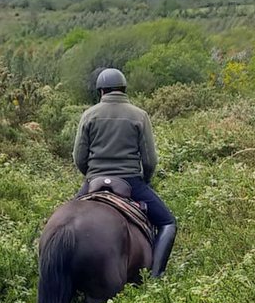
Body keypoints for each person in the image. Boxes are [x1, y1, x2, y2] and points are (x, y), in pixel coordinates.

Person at [72, 67, 177, 278]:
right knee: (168, 223)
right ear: (123, 89)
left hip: (94, 179)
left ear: (101, 91)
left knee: (63, 221)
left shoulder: (89, 115)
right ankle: (156, 277)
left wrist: (91, 175)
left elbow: (79, 157)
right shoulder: (140, 115)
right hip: (130, 181)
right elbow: (150, 160)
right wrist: (144, 180)